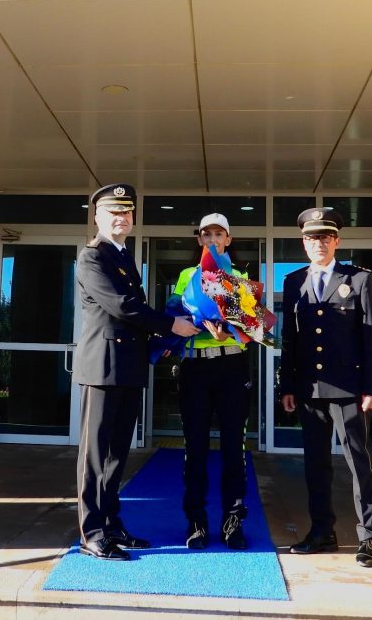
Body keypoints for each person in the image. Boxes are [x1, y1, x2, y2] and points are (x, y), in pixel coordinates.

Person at [74, 183, 200, 561]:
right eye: (113, 212)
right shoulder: (92, 257)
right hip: (102, 368)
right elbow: (123, 306)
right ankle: (92, 533)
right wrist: (171, 325)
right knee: (95, 456)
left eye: (126, 212)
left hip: (128, 366)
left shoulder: (124, 256)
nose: (121, 218)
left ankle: (111, 525)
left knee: (116, 455)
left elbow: (133, 314)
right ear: (97, 216)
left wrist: (163, 338)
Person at [279, 207, 372, 568]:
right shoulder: (294, 282)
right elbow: (290, 339)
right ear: (303, 243)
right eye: (311, 238)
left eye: (324, 237)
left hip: (349, 389)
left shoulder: (359, 279)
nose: (318, 244)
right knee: (315, 465)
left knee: (359, 463)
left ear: (336, 241)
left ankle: (368, 536)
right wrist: (287, 385)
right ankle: (322, 531)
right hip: (309, 389)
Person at [171, 213, 252, 551]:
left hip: (232, 367)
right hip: (196, 368)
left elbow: (252, 327)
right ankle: (196, 521)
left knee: (234, 448)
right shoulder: (187, 275)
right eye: (207, 234)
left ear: (228, 239)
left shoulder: (240, 276)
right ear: (199, 240)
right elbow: (174, 315)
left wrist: (229, 330)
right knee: (196, 448)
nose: (213, 239)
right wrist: (190, 324)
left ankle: (233, 521)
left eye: (219, 234)